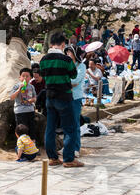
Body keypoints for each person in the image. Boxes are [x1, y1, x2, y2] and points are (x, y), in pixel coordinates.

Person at [39, 32, 83, 168]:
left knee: (50, 128)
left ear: (51, 44)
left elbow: (43, 74)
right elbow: (73, 74)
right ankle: (69, 159)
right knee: (69, 128)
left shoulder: (44, 60)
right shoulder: (66, 60)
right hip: (64, 96)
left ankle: (52, 157)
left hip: (50, 97)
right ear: (63, 44)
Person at [64, 45, 86, 158]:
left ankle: (76, 148)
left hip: (75, 98)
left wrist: (65, 80)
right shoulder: (66, 65)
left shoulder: (81, 66)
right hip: (65, 97)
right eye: (66, 53)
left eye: (70, 52)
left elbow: (75, 80)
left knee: (75, 123)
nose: (68, 55)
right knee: (65, 123)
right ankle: (66, 146)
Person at [10, 68, 37, 142]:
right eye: (23, 76)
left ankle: (32, 147)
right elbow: (11, 97)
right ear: (20, 77)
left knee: (32, 129)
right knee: (21, 130)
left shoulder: (31, 87)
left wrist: (32, 100)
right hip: (20, 111)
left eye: (27, 76)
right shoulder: (16, 86)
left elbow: (35, 98)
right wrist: (19, 89)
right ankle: (22, 147)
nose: (25, 78)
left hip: (30, 110)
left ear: (30, 78)